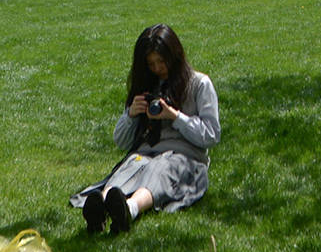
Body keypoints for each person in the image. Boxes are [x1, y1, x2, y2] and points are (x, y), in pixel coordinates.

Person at [70, 24, 221, 234]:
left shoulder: (200, 84)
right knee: (131, 164)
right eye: (151, 64)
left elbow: (211, 135)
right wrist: (131, 115)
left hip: (185, 157)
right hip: (146, 151)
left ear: (175, 55)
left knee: (160, 169)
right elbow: (121, 141)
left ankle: (130, 209)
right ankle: (101, 205)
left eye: (162, 61)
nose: (158, 68)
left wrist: (175, 116)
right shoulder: (147, 85)